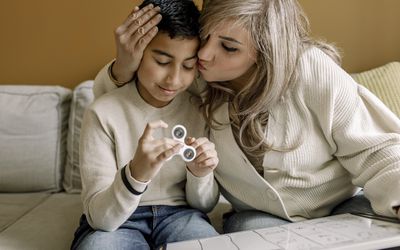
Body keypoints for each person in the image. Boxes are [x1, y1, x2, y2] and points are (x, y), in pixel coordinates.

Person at [93, 0, 400, 235]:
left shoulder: (311, 69)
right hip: (258, 218)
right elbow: (123, 103)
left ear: (266, 50)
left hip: (342, 206)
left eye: (228, 47)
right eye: (205, 36)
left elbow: (377, 151)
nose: (205, 54)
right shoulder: (193, 78)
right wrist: (124, 64)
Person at [71, 1, 220, 249]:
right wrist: (136, 174)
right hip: (118, 222)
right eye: (162, 61)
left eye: (188, 66)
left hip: (180, 216)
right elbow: (101, 219)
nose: (173, 79)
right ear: (137, 52)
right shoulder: (102, 113)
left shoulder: (199, 108)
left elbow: (205, 205)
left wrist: (200, 173)